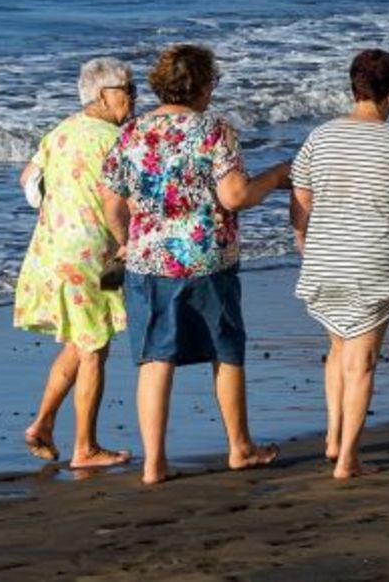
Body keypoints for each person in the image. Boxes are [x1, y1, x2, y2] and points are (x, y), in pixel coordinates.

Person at [102, 44, 289, 485]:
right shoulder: (212, 130)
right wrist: (277, 177)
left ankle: (154, 462)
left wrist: (124, 239)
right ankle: (240, 447)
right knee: (225, 350)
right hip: (207, 255)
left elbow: (111, 199)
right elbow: (234, 197)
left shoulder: (132, 133)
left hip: (149, 259)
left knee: (155, 357)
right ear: (202, 85)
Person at [290, 48, 389, 481]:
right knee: (361, 360)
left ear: (353, 87)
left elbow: (300, 200)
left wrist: (305, 241)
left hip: (326, 259)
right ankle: (347, 459)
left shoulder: (319, 137)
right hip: (373, 262)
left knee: (338, 348)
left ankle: (334, 437)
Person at [13, 57, 135, 469]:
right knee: (94, 350)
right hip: (89, 255)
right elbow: (115, 200)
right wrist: (127, 243)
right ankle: (86, 447)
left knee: (78, 342)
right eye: (128, 90)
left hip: (51, 249)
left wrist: (58, 202)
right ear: (104, 95)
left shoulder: (60, 131)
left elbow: (27, 178)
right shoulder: (114, 139)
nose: (134, 99)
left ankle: (43, 425)